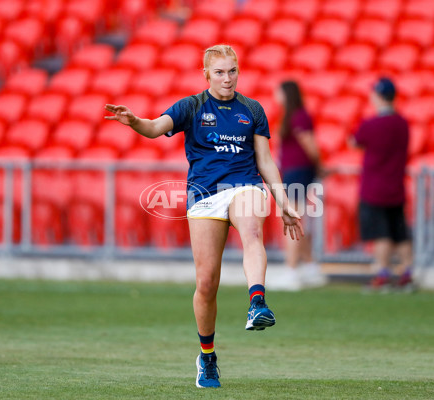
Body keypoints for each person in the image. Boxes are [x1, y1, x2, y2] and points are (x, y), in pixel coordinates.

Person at [104, 44, 303, 388]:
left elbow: (266, 161)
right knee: (207, 283)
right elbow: (154, 128)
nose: (227, 78)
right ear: (206, 74)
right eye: (220, 72)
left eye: (233, 71)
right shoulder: (191, 106)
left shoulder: (252, 110)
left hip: (245, 185)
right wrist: (134, 121)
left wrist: (283, 200)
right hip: (205, 195)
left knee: (252, 232)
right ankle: (207, 357)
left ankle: (257, 302)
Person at [348, 77, 414, 290]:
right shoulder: (402, 123)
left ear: (377, 96)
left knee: (381, 233)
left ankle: (382, 272)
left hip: (374, 187)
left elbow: (354, 141)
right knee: (400, 232)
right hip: (396, 185)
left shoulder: (372, 124)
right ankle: (407, 271)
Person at [270, 80, 324, 291]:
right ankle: (310, 266)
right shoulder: (293, 115)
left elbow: (309, 143)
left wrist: (319, 165)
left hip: (298, 171)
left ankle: (292, 269)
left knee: (291, 217)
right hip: (295, 171)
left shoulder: (298, 115)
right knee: (297, 216)